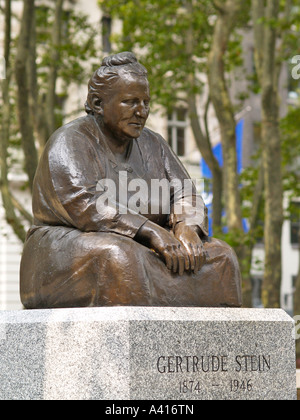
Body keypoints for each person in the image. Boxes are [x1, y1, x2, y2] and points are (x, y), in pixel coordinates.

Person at [20, 52, 242, 309]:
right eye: (130, 102)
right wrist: (149, 231)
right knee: (121, 258)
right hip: (64, 252)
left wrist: (186, 226)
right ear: (98, 103)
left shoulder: (154, 143)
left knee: (223, 258)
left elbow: (186, 193)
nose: (141, 111)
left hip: (150, 245)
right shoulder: (70, 142)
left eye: (146, 102)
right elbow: (87, 206)